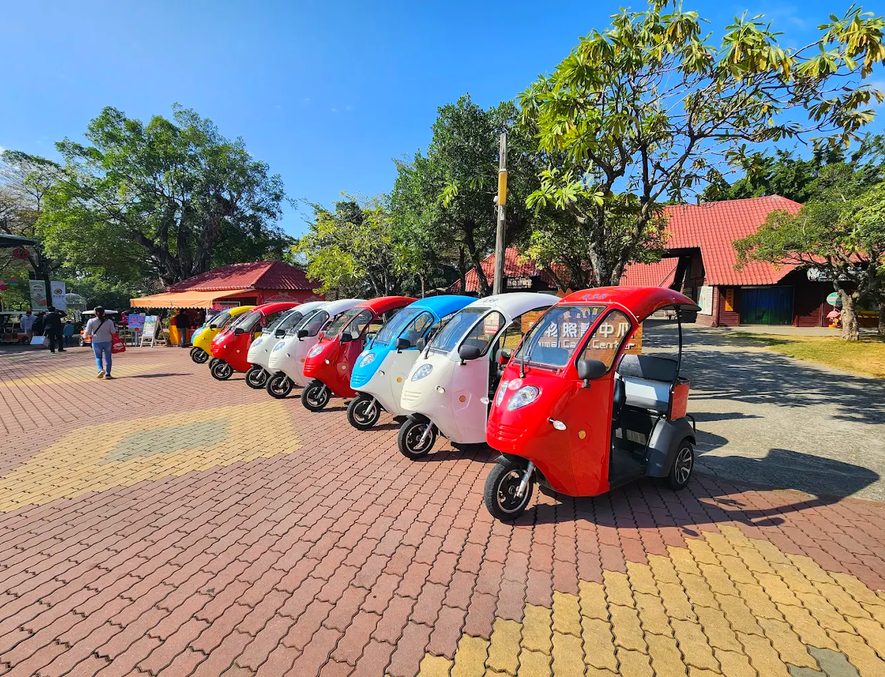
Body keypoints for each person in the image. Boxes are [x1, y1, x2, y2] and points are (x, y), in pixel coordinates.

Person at [83, 306, 116, 379]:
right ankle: (108, 374)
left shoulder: (91, 321)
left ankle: (100, 370)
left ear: (95, 313)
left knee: (98, 357)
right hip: (108, 341)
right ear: (104, 313)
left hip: (96, 341)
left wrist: (84, 336)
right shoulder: (109, 321)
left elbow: (87, 332)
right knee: (108, 357)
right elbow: (113, 331)